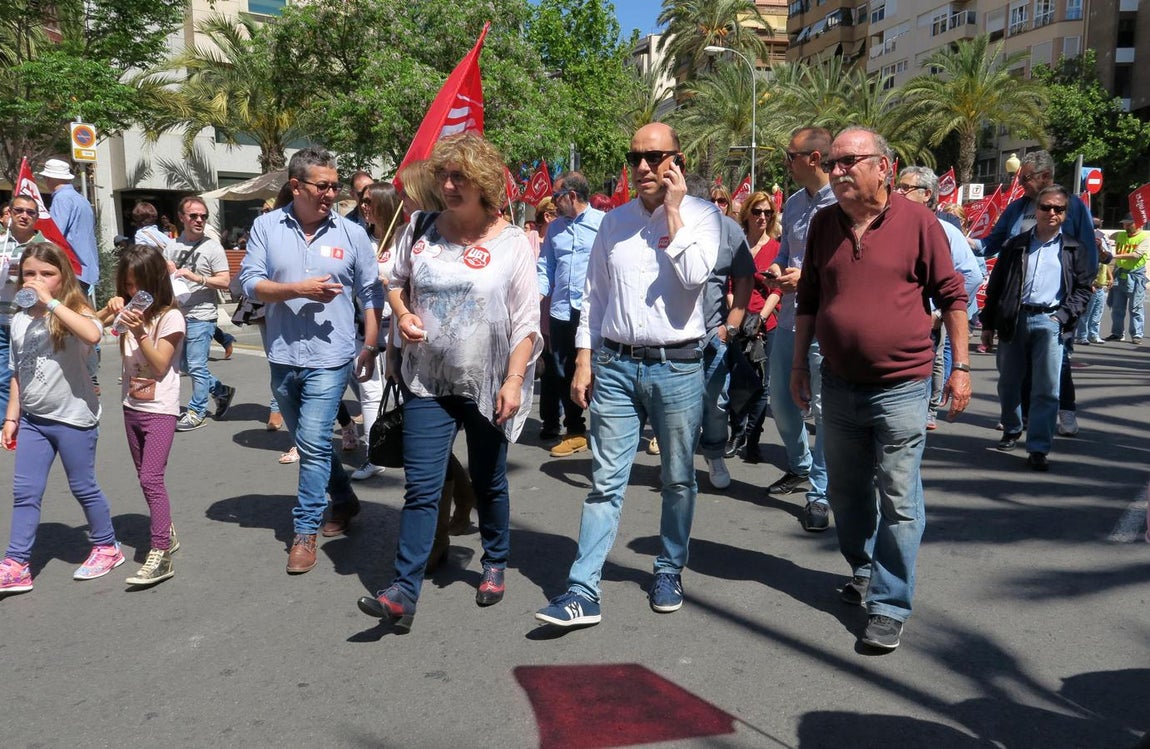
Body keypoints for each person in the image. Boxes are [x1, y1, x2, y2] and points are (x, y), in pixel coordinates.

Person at [534, 122, 720, 628]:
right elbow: (594, 297)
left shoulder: (703, 217)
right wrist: (584, 358)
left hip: (678, 366)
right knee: (604, 482)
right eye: (635, 156)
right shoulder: (612, 224)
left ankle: (668, 568)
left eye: (655, 156)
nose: (643, 166)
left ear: (676, 160)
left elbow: (694, 276)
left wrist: (675, 211)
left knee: (678, 479)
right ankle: (582, 588)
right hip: (615, 365)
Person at [792, 127, 971, 650]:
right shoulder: (824, 224)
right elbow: (807, 298)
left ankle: (890, 603)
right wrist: (799, 364)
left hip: (902, 387)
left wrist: (960, 366)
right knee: (847, 494)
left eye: (850, 161)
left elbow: (953, 297)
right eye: (834, 162)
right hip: (838, 384)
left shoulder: (919, 223)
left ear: (883, 168)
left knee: (898, 493)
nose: (838, 169)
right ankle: (865, 567)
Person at [357, 133, 540, 631]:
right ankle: (403, 590)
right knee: (422, 487)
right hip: (426, 381)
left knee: (488, 479)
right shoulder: (418, 226)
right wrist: (401, 313)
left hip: (487, 381)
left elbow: (526, 321)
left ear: (484, 183)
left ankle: (495, 559)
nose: (450, 184)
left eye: (461, 176)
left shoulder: (513, 241)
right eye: (444, 175)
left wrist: (514, 380)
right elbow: (392, 280)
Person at [239, 146, 383, 574]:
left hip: (332, 356)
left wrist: (371, 344)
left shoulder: (352, 233)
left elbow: (370, 291)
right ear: (297, 186)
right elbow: (247, 284)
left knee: (315, 443)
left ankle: (304, 532)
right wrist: (297, 289)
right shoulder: (266, 227)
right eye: (323, 186)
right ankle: (345, 499)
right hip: (282, 355)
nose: (332, 193)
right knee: (312, 444)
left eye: (336, 186)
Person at [0, 242, 121, 594]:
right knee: (24, 492)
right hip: (35, 419)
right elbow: (18, 372)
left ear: (62, 276)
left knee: (82, 486)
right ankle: (16, 563)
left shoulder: (72, 309)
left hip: (73, 417)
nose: (37, 280)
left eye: (47, 274)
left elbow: (93, 333)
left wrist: (51, 302)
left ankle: (106, 546)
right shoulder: (19, 318)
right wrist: (11, 418)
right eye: (29, 274)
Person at [981, 185, 1095, 470]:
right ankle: (1011, 427)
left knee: (1046, 389)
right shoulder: (1016, 245)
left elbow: (1083, 288)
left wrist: (1062, 316)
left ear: (1066, 214)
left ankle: (1038, 447)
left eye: (1058, 209)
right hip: (1014, 319)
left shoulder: (1073, 248)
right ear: (1037, 210)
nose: (1051, 213)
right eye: (1045, 207)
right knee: (1009, 383)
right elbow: (996, 287)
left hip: (1050, 322)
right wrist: (988, 324)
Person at [96, 245, 185, 585]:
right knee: (145, 478)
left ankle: (161, 552)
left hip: (160, 409)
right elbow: (89, 330)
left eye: (139, 285)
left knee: (151, 477)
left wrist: (139, 331)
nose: (134, 292)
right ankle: (167, 530)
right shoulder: (129, 311)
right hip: (131, 406)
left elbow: (161, 364)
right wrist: (109, 308)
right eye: (128, 285)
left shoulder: (170, 316)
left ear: (156, 280)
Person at [764, 127, 836, 532]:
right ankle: (800, 465)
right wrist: (777, 266)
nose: (786, 162)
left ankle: (820, 493)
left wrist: (804, 277)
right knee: (780, 398)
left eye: (790, 156)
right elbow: (785, 250)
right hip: (790, 318)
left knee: (822, 409)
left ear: (813, 158)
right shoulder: (792, 204)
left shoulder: (841, 203)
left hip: (825, 322)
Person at [895, 167, 982, 430]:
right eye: (897, 186)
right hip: (893, 328)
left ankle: (925, 415)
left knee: (923, 378)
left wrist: (939, 312)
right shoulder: (891, 228)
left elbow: (972, 275)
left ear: (927, 194)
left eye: (906, 188)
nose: (898, 192)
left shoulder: (946, 231)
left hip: (926, 326)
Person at [688, 175, 753, 489]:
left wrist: (730, 326)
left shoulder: (729, 229)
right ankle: (678, 463)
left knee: (715, 403)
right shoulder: (665, 225)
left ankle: (714, 455)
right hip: (671, 340)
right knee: (675, 409)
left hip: (713, 337)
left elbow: (744, 279)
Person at [537, 172, 604, 458]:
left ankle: (605, 432)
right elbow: (545, 267)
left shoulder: (604, 224)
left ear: (572, 196)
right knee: (564, 371)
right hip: (562, 312)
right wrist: (533, 298)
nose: (553, 204)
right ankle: (575, 430)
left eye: (556, 197)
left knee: (599, 371)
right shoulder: (554, 229)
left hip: (596, 312)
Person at [349, 181, 405, 481]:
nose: (364, 205)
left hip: (400, 331)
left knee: (404, 393)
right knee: (369, 392)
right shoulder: (360, 239)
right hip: (366, 330)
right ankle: (375, 454)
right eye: (362, 200)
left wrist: (393, 287)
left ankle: (410, 450)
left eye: (370, 201)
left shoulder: (406, 240)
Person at [165, 197, 237, 432]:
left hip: (201, 314)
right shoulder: (172, 246)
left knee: (196, 365)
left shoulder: (212, 247)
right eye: (193, 215)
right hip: (177, 314)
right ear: (182, 217)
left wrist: (198, 278)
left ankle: (197, 411)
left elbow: (225, 281)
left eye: (203, 216)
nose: (199, 220)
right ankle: (221, 390)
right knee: (185, 364)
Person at [728, 192, 782, 464]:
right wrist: (736, 317)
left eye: (768, 213)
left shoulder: (775, 248)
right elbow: (729, 285)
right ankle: (736, 432)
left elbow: (778, 289)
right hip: (737, 321)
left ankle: (753, 438)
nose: (763, 217)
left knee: (762, 386)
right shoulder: (736, 245)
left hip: (766, 322)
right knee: (738, 382)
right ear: (747, 214)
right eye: (758, 211)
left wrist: (759, 318)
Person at [0, 196, 46, 413]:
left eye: (30, 212)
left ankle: (28, 418)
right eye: (19, 210)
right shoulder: (1, 244)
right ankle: (6, 424)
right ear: (10, 212)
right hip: (1, 321)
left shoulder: (45, 248)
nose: (24, 215)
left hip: (30, 321)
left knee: (30, 374)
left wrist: (24, 277)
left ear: (37, 218)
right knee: (2, 377)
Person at [40, 160, 99, 294]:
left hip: (71, 268)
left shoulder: (61, 199)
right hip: (85, 269)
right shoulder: (81, 199)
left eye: (45, 177)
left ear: (50, 178)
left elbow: (54, 235)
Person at [532, 196, 564, 441]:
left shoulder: (564, 237)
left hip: (563, 314)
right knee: (550, 371)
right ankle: (551, 421)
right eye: (558, 214)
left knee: (565, 369)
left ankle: (572, 420)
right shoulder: (529, 239)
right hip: (540, 316)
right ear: (547, 216)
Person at [1106, 214, 1149, 343]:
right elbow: (1106, 236)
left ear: (1138, 224)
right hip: (1120, 274)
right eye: (1124, 223)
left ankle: (1137, 334)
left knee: (1135, 308)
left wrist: (1113, 256)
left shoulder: (1145, 238)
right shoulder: (1120, 235)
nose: (1125, 226)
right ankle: (1117, 333)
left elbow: (1136, 255)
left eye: (1129, 224)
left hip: (1135, 276)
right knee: (1117, 307)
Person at [1076, 221, 1114, 345]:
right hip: (1089, 282)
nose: (1097, 230)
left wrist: (1110, 276)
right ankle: (1082, 335)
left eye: (1098, 227)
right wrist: (1089, 282)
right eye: (1094, 227)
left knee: (1098, 311)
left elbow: (1107, 259)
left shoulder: (1102, 240)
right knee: (1086, 312)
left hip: (1101, 282)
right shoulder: (1082, 240)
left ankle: (1094, 334)